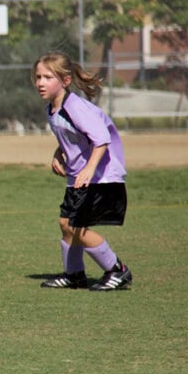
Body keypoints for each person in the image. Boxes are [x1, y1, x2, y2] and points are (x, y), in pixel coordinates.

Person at [33, 51, 132, 291]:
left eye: (48, 77)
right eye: (38, 77)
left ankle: (117, 270)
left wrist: (89, 169)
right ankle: (74, 275)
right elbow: (74, 136)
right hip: (79, 176)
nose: (41, 83)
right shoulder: (52, 109)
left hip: (99, 177)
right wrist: (58, 153)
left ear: (65, 81)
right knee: (65, 223)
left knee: (77, 228)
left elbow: (101, 138)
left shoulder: (75, 107)